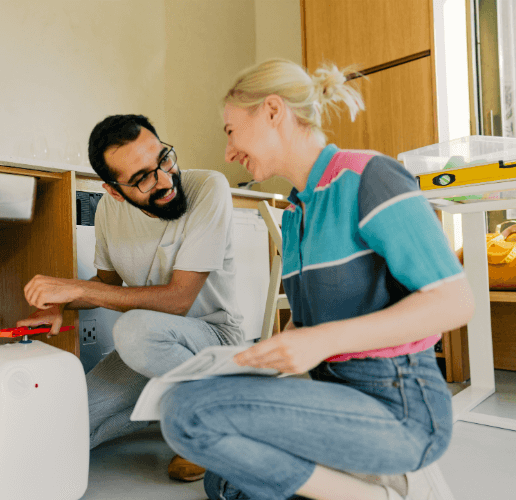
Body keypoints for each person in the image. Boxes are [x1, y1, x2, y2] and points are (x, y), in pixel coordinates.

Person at [159, 59, 475, 500]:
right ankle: (358, 479)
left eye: (230, 131)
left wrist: (321, 341)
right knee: (224, 482)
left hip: (401, 409)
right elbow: (307, 328)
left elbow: (454, 302)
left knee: (185, 415)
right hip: (334, 392)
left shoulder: (368, 177)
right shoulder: (295, 213)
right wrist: (273, 351)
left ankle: (384, 492)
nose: (228, 152)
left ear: (272, 111)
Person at [15, 114, 245, 481]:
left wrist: (80, 289)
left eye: (164, 158)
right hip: (150, 345)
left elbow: (179, 300)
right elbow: (106, 282)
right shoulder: (109, 212)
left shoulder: (209, 187)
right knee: (61, 427)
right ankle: (179, 413)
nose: (166, 179)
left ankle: (214, 424)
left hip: (213, 338)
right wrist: (61, 305)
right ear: (114, 190)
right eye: (142, 178)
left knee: (133, 329)